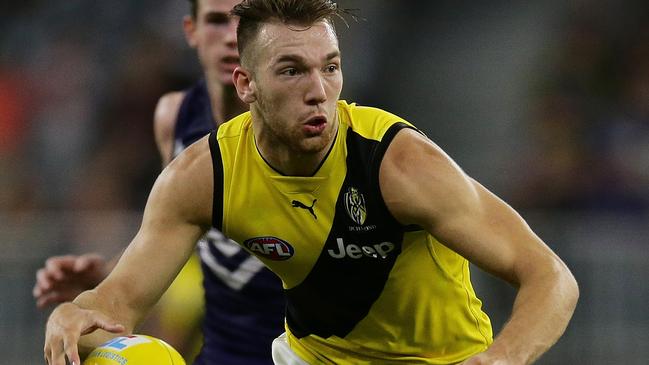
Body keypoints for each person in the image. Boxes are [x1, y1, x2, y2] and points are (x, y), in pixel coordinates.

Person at [44, 1, 579, 364]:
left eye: (331, 67)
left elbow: (550, 276)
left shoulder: (399, 164)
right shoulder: (204, 175)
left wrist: (503, 357)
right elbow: (119, 303)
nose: (319, 90)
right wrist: (77, 315)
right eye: (292, 70)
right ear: (246, 84)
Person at [34, 0, 285, 364]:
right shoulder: (175, 117)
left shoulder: (301, 126)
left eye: (245, 22)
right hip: (223, 350)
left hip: (303, 348)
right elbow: (183, 223)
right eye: (216, 21)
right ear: (191, 31)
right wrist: (112, 275)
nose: (232, 37)